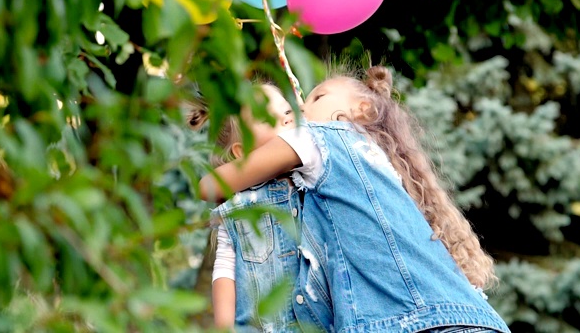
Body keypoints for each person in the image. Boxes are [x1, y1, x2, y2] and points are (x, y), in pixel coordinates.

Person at [200, 66, 511, 333]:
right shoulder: (344, 175)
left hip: (415, 321)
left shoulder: (320, 137)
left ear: (362, 109)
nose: (298, 112)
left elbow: (209, 186)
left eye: (314, 98)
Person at [188, 83, 304, 332]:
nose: (286, 120)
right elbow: (224, 272)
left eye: (287, 111)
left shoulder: (311, 179)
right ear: (242, 153)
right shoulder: (237, 208)